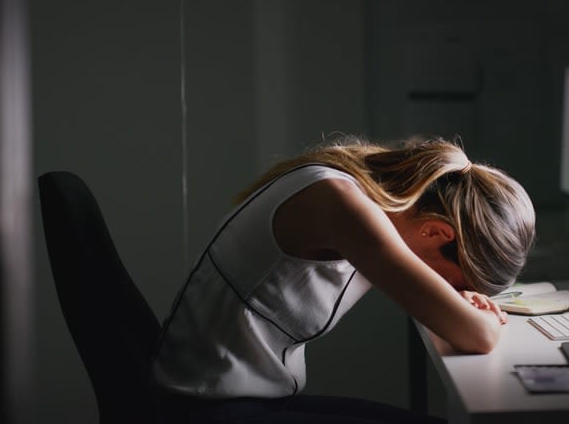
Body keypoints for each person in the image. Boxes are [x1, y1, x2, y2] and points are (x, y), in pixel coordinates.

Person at [152, 135, 537, 423]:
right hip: (208, 409)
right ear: (437, 234)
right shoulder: (340, 203)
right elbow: (479, 335)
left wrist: (460, 304)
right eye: (456, 282)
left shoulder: (359, 196)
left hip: (243, 397)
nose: (451, 292)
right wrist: (483, 317)